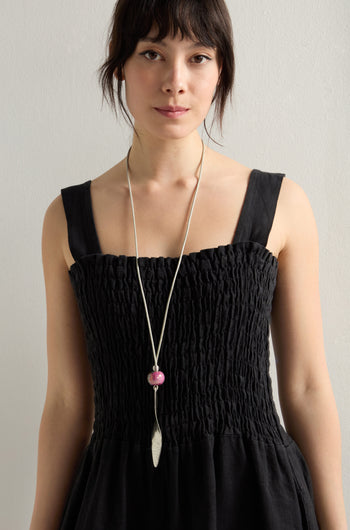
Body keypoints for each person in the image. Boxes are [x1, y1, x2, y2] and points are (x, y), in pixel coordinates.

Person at [30, 0, 347, 529]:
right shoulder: (67, 219)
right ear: (120, 64)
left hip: (256, 498)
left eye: (198, 57)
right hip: (118, 500)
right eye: (152, 53)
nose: (175, 81)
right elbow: (66, 402)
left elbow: (307, 387)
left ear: (220, 70)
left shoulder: (278, 205)